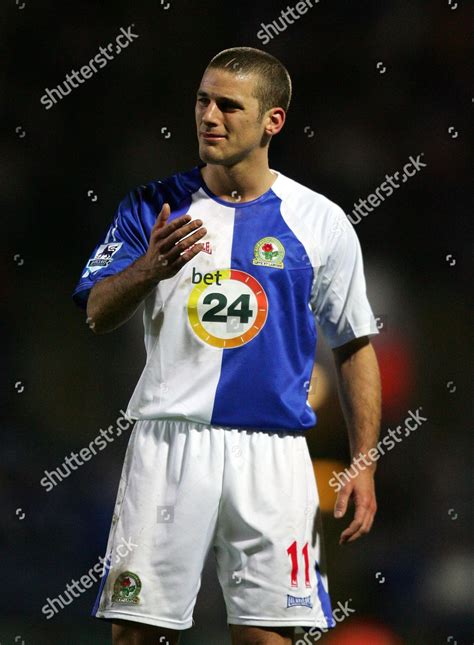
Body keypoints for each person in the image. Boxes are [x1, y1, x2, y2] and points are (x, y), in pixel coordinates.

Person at [73, 46, 382, 645]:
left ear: (273, 121)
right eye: (202, 101)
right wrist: (147, 269)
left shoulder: (320, 221)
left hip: (275, 451)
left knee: (270, 636)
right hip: (169, 441)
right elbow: (95, 312)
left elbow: (354, 345)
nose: (209, 116)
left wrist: (364, 459)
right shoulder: (150, 207)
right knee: (137, 632)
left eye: (228, 105)